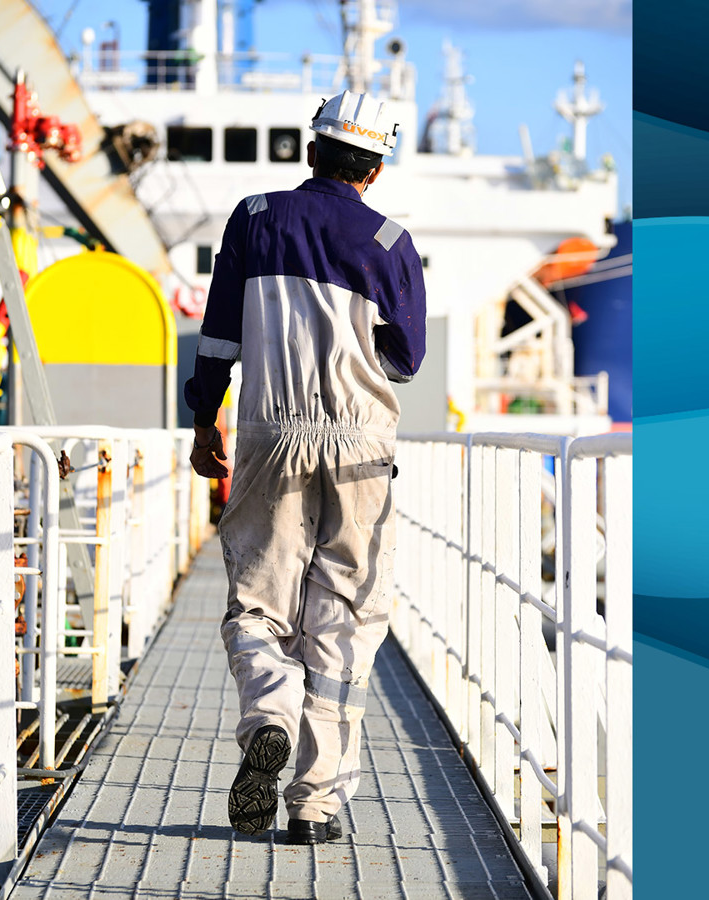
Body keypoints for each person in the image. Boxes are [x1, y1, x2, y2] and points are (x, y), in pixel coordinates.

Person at [183, 90, 427, 845]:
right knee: (344, 623)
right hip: (359, 447)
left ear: (310, 150)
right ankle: (315, 807)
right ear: (376, 168)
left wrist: (203, 421)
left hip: (266, 435)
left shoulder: (255, 218)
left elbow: (219, 335)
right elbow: (407, 358)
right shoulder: (389, 239)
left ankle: (269, 711)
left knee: (256, 604)